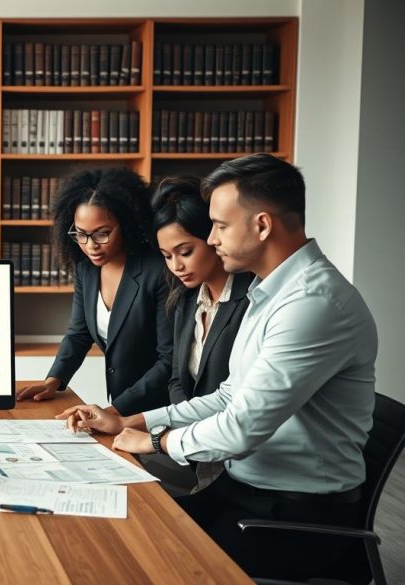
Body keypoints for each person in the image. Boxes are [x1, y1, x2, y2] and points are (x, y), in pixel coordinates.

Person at [59, 154, 377, 582]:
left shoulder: (313, 304)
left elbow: (241, 427)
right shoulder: (272, 293)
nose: (212, 238)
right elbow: (228, 396)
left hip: (294, 514)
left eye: (220, 226)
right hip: (245, 490)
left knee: (140, 562)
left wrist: (155, 441)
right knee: (116, 535)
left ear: (262, 225)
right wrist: (127, 420)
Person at [16, 167, 173, 415]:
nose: (91, 246)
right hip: (118, 407)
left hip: (160, 409)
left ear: (127, 223)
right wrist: (53, 381)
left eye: (102, 234)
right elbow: (79, 334)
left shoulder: (158, 271)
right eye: (80, 234)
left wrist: (113, 411)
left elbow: (169, 360)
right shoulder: (86, 269)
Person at [145, 177, 254, 494]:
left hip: (231, 458)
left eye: (185, 251)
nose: (176, 265)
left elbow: (234, 398)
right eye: (167, 256)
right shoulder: (187, 298)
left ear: (213, 238)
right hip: (191, 447)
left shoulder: (252, 301)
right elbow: (178, 378)